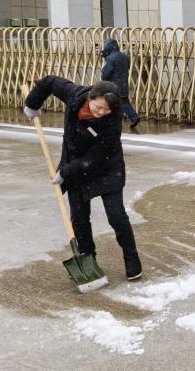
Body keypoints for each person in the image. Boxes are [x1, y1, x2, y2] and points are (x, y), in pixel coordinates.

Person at [24, 77, 143, 280]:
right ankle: (88, 259)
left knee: (116, 216)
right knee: (79, 218)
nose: (102, 112)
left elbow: (96, 156)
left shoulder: (112, 120)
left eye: (107, 109)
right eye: (99, 107)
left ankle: (131, 258)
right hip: (75, 167)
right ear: (90, 97)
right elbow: (50, 82)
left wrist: (65, 172)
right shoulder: (74, 95)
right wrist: (32, 104)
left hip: (107, 168)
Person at [101, 38, 140, 129]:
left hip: (114, 85)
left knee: (109, 102)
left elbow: (106, 73)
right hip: (124, 84)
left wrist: (103, 78)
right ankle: (134, 117)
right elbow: (127, 67)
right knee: (125, 102)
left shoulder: (111, 58)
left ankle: (109, 122)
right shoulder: (125, 57)